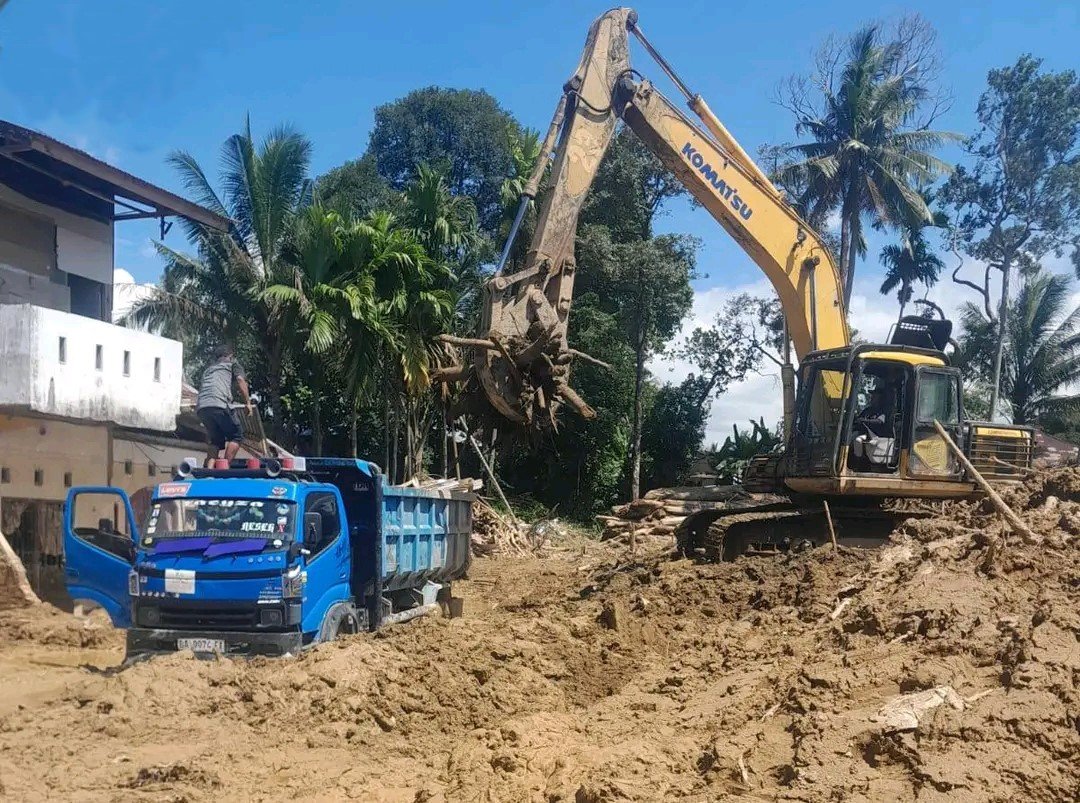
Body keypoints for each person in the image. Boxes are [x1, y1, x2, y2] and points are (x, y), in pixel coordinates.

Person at [196, 344, 253, 466]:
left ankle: (209, 471)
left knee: (215, 440)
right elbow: (240, 380)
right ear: (231, 356)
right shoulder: (232, 364)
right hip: (219, 404)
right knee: (237, 436)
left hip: (202, 407)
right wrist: (247, 402)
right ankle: (224, 466)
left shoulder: (208, 370)